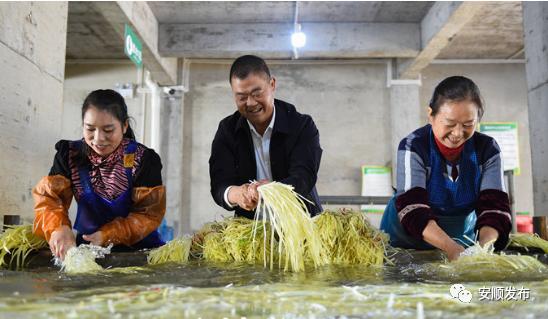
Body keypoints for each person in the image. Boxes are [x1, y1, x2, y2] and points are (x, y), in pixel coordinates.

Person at [380, 76, 511, 260]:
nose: (457, 133)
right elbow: (413, 207)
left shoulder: (488, 150)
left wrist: (481, 250)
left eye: (468, 125)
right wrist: (453, 250)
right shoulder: (414, 146)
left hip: (460, 237)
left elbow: (494, 209)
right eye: (449, 124)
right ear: (431, 115)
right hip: (406, 239)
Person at [33, 89, 165, 260]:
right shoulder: (69, 154)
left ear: (124, 126)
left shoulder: (143, 159)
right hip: (88, 250)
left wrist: (107, 235)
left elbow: (148, 215)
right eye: (90, 129)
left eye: (108, 130)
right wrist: (58, 227)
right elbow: (50, 199)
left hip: (140, 252)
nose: (98, 138)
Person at [209, 55, 323, 219]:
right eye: (241, 97)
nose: (250, 103)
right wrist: (238, 194)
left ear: (272, 85)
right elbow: (220, 184)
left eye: (257, 93)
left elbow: (304, 177)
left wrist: (272, 190)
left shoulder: (301, 125)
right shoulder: (227, 130)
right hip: (248, 232)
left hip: (301, 224)